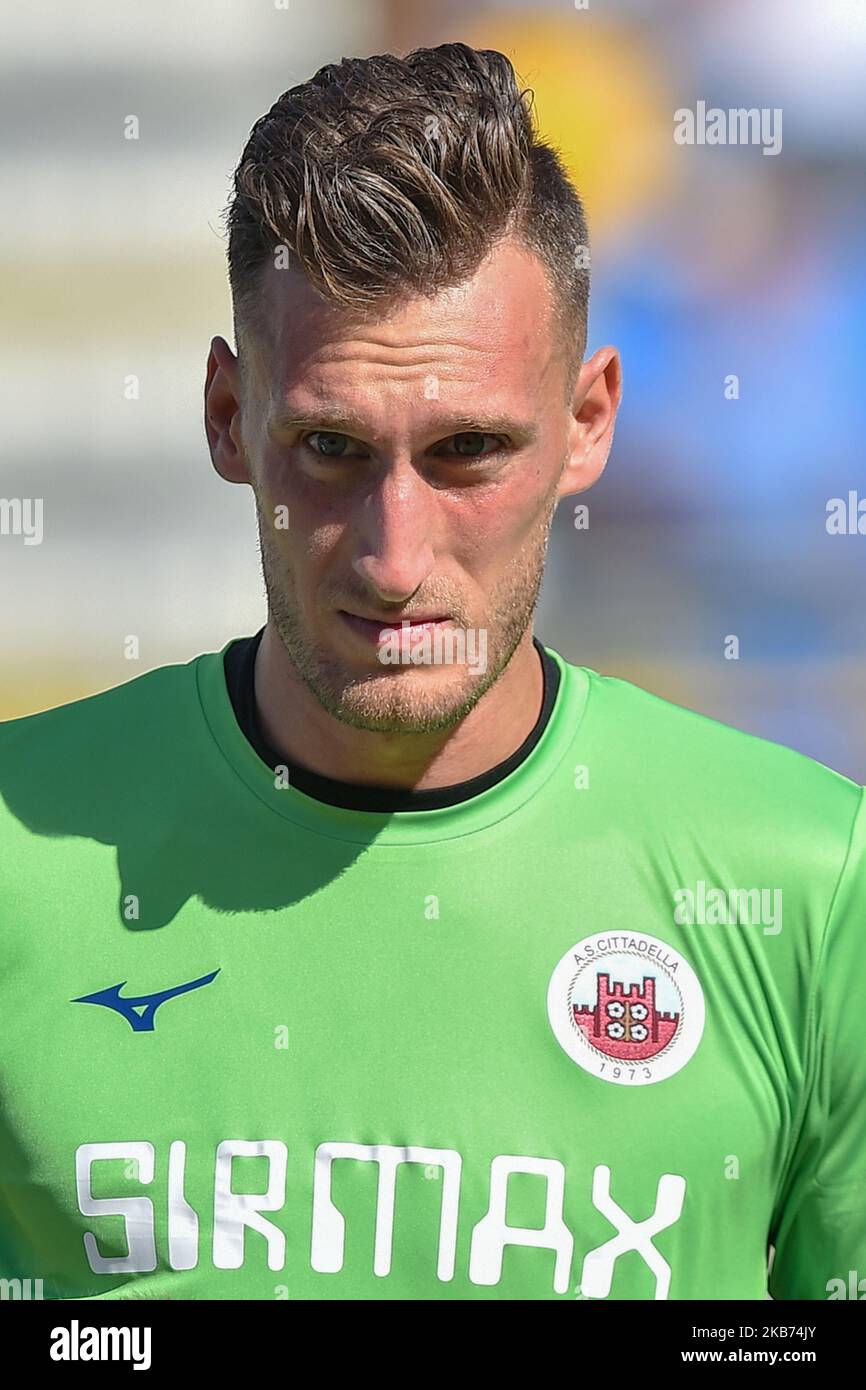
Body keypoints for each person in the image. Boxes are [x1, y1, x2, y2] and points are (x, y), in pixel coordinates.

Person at [0, 43, 862, 1302]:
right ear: (227, 420)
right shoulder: (16, 851)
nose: (395, 558)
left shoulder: (811, 881)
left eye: (467, 450)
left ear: (587, 424)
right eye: (331, 446)